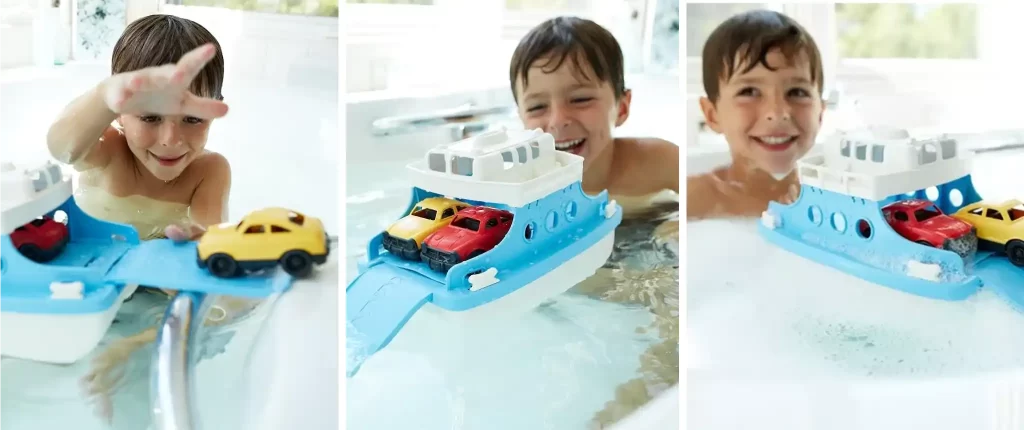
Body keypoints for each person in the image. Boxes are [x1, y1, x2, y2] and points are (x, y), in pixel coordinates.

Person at [45, 14, 244, 421]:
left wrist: (197, 239)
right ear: (119, 115)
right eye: (150, 117)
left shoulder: (210, 170)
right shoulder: (107, 151)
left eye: (191, 119)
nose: (170, 140)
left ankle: (131, 350)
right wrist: (103, 95)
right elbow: (62, 148)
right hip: (88, 278)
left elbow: (209, 249)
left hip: (153, 294)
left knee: (232, 305)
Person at [508, 16, 679, 217]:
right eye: (537, 107)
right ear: (520, 118)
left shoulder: (658, 163)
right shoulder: (518, 186)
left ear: (622, 109)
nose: (558, 121)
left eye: (580, 99)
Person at [687, 9, 826, 221]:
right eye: (749, 92)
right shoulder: (698, 198)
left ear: (820, 113)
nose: (778, 113)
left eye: (797, 92)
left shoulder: (830, 199)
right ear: (712, 114)